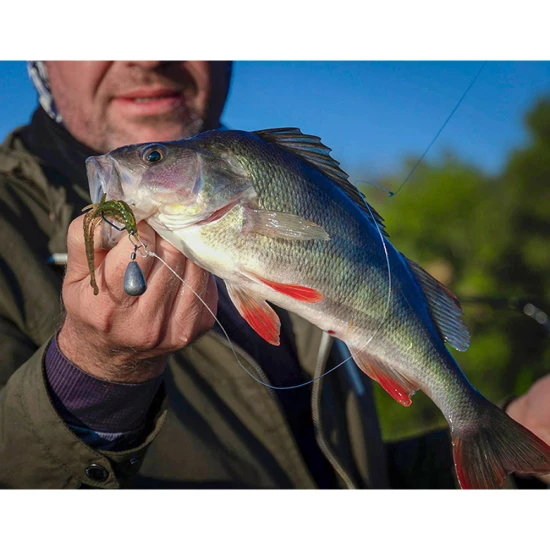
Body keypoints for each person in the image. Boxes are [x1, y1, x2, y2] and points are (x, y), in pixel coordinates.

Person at [0, 61, 548, 489]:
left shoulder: (255, 176)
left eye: (154, 158)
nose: (150, 56)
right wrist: (95, 375)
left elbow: (340, 482)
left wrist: (513, 436)